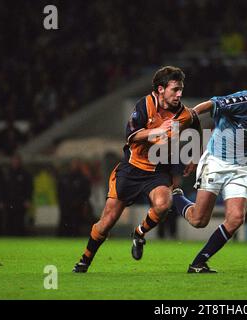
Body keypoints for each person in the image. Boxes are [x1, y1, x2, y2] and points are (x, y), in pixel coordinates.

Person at [72, 66, 200, 272]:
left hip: (158, 173)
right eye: (174, 89)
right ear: (160, 89)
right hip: (131, 169)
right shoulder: (144, 105)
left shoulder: (183, 113)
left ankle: (139, 233)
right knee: (107, 222)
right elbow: (130, 136)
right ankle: (85, 259)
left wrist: (195, 153)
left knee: (164, 203)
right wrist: (157, 131)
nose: (179, 94)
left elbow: (195, 122)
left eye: (181, 89)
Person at [172, 66, 247, 273]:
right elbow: (211, 104)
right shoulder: (242, 100)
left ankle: (198, 263)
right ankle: (174, 197)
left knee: (236, 218)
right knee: (198, 220)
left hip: (239, 168)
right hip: (216, 163)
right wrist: (183, 120)